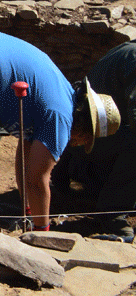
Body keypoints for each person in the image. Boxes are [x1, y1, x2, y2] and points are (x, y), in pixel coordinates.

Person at [0, 28, 119, 230]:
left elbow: (25, 163)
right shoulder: (61, 118)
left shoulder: (60, 97)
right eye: (85, 139)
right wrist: (42, 231)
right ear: (85, 127)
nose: (77, 143)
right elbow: (37, 180)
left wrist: (28, 212)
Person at [52, 42, 136, 240]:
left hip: (86, 139)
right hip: (88, 137)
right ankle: (112, 213)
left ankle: (78, 174)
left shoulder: (128, 49)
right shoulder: (134, 58)